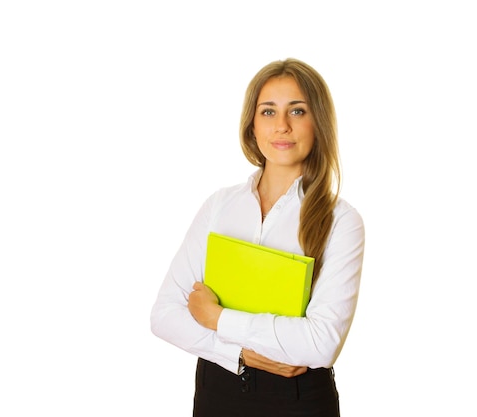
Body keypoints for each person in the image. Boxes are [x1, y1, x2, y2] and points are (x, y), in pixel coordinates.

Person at [150, 57, 365, 416]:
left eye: (297, 111)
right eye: (268, 112)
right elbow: (164, 316)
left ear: (318, 124)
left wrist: (216, 318)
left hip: (299, 399)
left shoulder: (341, 221)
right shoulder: (219, 206)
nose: (281, 126)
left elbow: (320, 344)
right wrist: (240, 354)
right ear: (251, 126)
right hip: (217, 390)